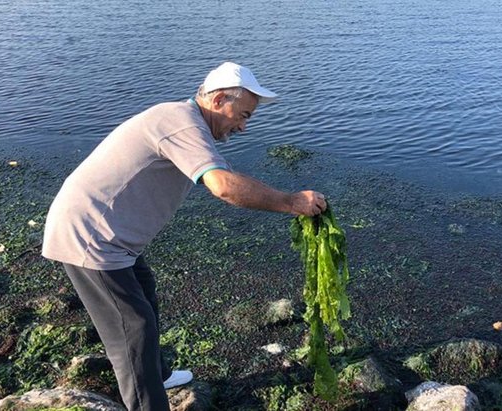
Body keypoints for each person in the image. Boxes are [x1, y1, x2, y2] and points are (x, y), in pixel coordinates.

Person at [41, 62, 327, 411]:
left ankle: (158, 375)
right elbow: (223, 186)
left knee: (145, 292)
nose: (243, 126)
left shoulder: (187, 123)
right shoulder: (181, 123)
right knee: (133, 328)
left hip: (112, 237)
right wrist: (291, 202)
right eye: (243, 115)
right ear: (219, 99)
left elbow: (226, 176)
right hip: (90, 238)